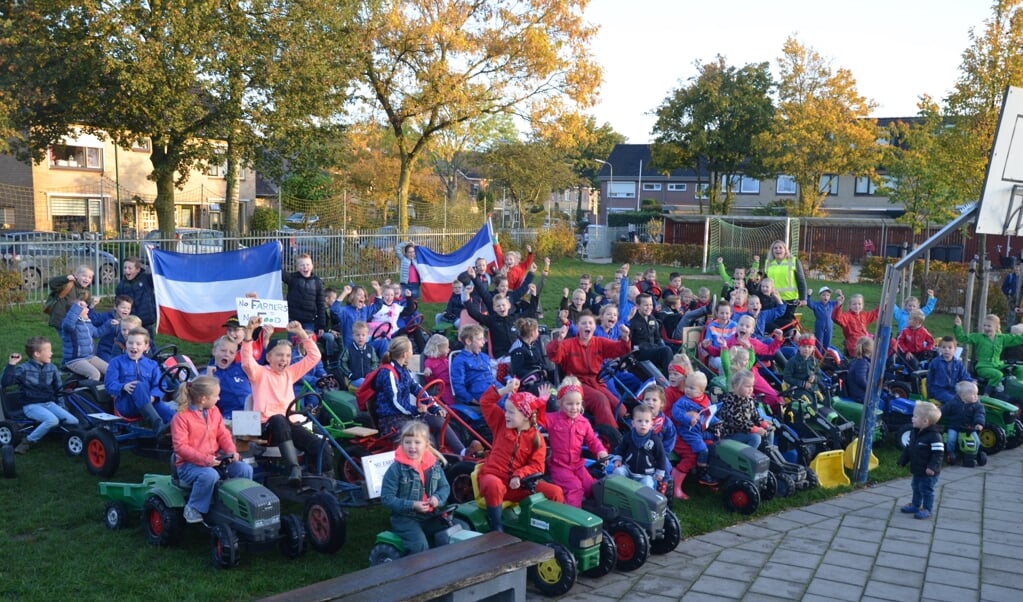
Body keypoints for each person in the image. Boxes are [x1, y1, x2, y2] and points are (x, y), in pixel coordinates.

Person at [241, 317, 332, 485]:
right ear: (268, 357)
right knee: (278, 419)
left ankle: (322, 478)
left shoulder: (290, 373)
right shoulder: (259, 373)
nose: (284, 359)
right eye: (280, 355)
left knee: (319, 444)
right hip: (267, 428)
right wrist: (248, 333)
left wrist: (301, 333)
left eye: (288, 355)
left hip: (289, 425)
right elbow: (246, 361)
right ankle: (293, 468)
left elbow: (314, 356)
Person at [478, 379, 563, 532]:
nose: (506, 415)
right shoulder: (500, 424)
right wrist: (505, 390)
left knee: (555, 492)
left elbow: (537, 466)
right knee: (494, 484)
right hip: (493, 479)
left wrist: (519, 475)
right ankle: (496, 528)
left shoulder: (537, 439)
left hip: (518, 486)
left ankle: (552, 529)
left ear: (526, 416)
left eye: (511, 412)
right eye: (506, 410)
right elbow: (485, 402)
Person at [374, 336, 479, 459]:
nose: (413, 352)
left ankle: (462, 452)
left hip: (405, 414)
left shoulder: (404, 370)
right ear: (405, 354)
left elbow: (417, 389)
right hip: (391, 419)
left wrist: (434, 408)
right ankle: (437, 461)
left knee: (438, 420)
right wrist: (415, 410)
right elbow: (395, 401)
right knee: (420, 432)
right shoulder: (388, 372)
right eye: (412, 350)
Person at [171, 376, 253, 523]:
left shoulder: (214, 411)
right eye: (216, 395)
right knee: (209, 475)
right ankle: (194, 508)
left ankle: (241, 506)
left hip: (214, 459)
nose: (219, 398)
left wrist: (231, 451)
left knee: (244, 469)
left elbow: (223, 434)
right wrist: (205, 460)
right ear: (203, 399)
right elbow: (180, 447)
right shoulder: (181, 417)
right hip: (188, 465)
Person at [547, 312, 631, 430]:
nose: (587, 326)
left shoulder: (599, 342)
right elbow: (553, 355)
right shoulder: (568, 344)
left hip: (596, 382)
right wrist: (559, 339)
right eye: (584, 323)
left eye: (590, 323)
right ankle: (611, 438)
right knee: (600, 400)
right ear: (577, 326)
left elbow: (620, 349)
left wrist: (625, 337)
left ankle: (628, 430)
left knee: (620, 408)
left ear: (594, 327)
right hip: (576, 384)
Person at [379, 421, 451, 554]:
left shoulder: (434, 465)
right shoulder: (396, 469)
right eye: (407, 442)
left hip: (431, 514)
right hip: (405, 517)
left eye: (417, 442)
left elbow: (444, 487)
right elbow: (387, 498)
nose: (412, 447)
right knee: (419, 546)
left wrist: (437, 498)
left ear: (426, 445)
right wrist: (412, 505)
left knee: (449, 537)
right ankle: (419, 571)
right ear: (402, 443)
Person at [2, 337, 80, 454]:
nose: (52, 353)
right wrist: (11, 365)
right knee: (52, 420)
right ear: (37, 354)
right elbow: (5, 382)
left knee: (73, 421)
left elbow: (58, 390)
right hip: (31, 405)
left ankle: (48, 432)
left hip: (49, 403)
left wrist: (62, 406)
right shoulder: (24, 369)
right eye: (48, 350)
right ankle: (27, 441)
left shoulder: (52, 368)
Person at [546, 377, 606, 507]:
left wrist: (601, 451)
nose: (574, 408)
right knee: (575, 488)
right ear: (561, 403)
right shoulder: (553, 419)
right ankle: (571, 520)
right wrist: (541, 401)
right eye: (569, 404)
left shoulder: (584, 422)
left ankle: (589, 510)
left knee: (591, 487)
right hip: (559, 466)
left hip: (577, 465)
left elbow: (592, 440)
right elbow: (536, 419)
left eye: (578, 404)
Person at [106, 327, 175, 432]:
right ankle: (158, 425)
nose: (134, 346)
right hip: (127, 404)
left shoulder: (152, 364)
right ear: (126, 343)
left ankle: (181, 434)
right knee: (138, 385)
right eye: (130, 343)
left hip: (150, 402)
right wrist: (123, 387)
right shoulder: (116, 362)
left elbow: (161, 385)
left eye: (138, 344)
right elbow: (109, 384)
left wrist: (153, 397)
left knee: (172, 415)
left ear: (146, 346)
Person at [669, 372, 716, 500]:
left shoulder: (705, 401)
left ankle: (713, 473)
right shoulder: (683, 402)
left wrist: (717, 422)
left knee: (715, 441)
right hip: (687, 431)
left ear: (702, 390)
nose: (687, 390)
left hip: (699, 430)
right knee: (701, 449)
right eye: (687, 387)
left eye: (692, 388)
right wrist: (687, 418)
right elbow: (676, 412)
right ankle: (701, 473)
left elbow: (710, 413)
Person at [897, 402, 943, 519]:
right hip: (917, 468)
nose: (912, 419)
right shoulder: (914, 433)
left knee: (926, 490)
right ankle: (916, 505)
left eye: (915, 416)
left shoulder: (935, 436)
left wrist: (932, 467)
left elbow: (938, 454)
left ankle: (927, 509)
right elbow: (909, 448)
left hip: (929, 471)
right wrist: (903, 460)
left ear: (925, 421)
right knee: (916, 487)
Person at [954, 314, 1023, 391]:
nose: (986, 328)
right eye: (985, 325)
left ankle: (1019, 390)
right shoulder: (978, 337)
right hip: (983, 367)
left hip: (998, 365)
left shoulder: (1002, 338)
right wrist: (958, 326)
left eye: (989, 326)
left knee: (1020, 369)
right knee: (997, 374)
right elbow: (962, 338)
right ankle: (987, 394)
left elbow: (1018, 339)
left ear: (996, 327)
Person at [612, 405, 666, 489]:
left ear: (651, 424)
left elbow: (661, 456)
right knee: (618, 471)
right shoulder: (629, 436)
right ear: (633, 423)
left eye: (647, 421)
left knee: (648, 484)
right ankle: (619, 494)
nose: (643, 424)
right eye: (639, 421)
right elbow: (621, 448)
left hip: (646, 474)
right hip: (628, 470)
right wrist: (618, 459)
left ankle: (644, 500)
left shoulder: (655, 440)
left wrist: (660, 472)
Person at [717, 370, 773, 449]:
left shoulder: (748, 399)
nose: (751, 389)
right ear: (736, 386)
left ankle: (769, 452)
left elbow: (755, 415)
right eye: (747, 386)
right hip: (730, 433)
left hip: (744, 430)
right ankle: (749, 458)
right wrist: (755, 429)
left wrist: (764, 424)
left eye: (752, 386)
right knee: (755, 438)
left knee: (769, 431)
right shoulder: (730, 400)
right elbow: (737, 422)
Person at [450, 325, 497, 405]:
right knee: (504, 402)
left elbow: (491, 374)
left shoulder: (483, 356)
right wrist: (471, 400)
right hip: (479, 389)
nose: (484, 341)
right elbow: (458, 385)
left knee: (513, 397)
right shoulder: (460, 360)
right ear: (468, 341)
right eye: (480, 339)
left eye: (483, 338)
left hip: (493, 385)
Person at [60, 300, 107, 380]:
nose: (88, 309)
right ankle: (87, 392)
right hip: (74, 360)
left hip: (90, 357)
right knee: (94, 374)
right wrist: (77, 307)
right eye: (84, 307)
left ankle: (110, 391)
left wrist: (109, 324)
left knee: (110, 370)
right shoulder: (69, 324)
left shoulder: (87, 323)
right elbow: (69, 324)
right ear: (75, 310)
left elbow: (97, 333)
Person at [942, 381, 985, 466]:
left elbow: (980, 414)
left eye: (977, 394)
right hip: (955, 426)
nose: (976, 396)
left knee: (977, 441)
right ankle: (951, 453)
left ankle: (975, 454)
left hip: (969, 428)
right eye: (974, 394)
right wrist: (936, 414)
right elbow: (944, 410)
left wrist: (979, 423)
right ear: (963, 396)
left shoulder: (977, 405)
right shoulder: (953, 402)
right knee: (951, 439)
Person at [282, 253, 326, 336]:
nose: (305, 267)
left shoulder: (317, 282)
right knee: (294, 344)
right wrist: (278, 252)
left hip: (309, 321)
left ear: (312, 266)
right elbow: (280, 272)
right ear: (297, 267)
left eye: (307, 264)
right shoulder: (292, 278)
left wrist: (321, 326)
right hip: (294, 320)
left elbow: (321, 305)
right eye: (302, 265)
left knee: (307, 344)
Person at [206, 336, 250, 419]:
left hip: (252, 410)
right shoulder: (208, 373)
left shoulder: (241, 368)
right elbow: (202, 399)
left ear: (235, 356)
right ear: (214, 351)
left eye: (231, 353)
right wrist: (208, 379)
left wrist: (266, 341)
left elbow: (261, 365)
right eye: (223, 351)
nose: (227, 354)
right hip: (229, 415)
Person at [628, 293, 673, 374]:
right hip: (639, 353)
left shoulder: (652, 318)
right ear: (638, 306)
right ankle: (668, 380)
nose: (649, 307)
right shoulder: (632, 320)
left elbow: (657, 338)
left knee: (671, 353)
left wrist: (660, 347)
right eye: (646, 305)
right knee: (666, 351)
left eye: (651, 305)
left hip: (652, 349)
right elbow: (627, 341)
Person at [115, 257, 157, 338]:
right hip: (131, 323)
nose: (127, 270)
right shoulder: (121, 285)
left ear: (138, 269)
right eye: (125, 268)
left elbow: (157, 271)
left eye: (130, 268)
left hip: (146, 321)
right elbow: (118, 303)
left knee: (148, 345)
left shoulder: (146, 279)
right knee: (132, 344)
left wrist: (152, 255)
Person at [832, 291, 880, 358]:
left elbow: (875, 314)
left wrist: (885, 303)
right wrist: (839, 305)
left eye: (859, 304)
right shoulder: (847, 316)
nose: (857, 306)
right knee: (870, 354)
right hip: (854, 344)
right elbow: (836, 318)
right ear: (850, 306)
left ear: (862, 305)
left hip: (865, 342)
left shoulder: (863, 315)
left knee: (880, 347)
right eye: (854, 304)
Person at [926, 336, 973, 404]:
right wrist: (929, 394)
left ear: (955, 349)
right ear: (940, 349)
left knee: (972, 399)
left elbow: (964, 376)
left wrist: (971, 382)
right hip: (939, 391)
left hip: (954, 390)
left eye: (950, 347)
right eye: (944, 347)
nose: (946, 350)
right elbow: (930, 379)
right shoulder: (935, 362)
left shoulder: (958, 364)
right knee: (956, 401)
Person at [46, 265, 94, 331]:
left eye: (90, 277)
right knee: (67, 338)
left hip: (73, 320)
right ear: (76, 275)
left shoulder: (86, 292)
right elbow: (52, 283)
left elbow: (87, 306)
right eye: (84, 276)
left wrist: (92, 304)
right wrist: (65, 278)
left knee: (71, 339)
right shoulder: (68, 284)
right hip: (60, 318)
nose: (87, 279)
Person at [90, 294, 133, 362]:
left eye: (128, 308)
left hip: (122, 351)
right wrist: (92, 306)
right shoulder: (107, 316)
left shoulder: (130, 321)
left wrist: (121, 324)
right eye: (123, 307)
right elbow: (93, 319)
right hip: (105, 350)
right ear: (115, 307)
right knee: (110, 367)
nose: (126, 310)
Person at [783, 333, 825, 398]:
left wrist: (814, 378)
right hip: (798, 389)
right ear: (799, 347)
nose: (806, 349)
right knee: (810, 401)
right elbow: (786, 377)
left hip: (813, 388)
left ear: (813, 348)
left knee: (824, 399)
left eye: (809, 347)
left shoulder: (814, 361)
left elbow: (819, 375)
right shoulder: (792, 361)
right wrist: (802, 384)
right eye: (804, 346)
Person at [340, 321, 378, 390]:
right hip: (354, 380)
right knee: (367, 384)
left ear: (367, 336)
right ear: (353, 336)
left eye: (363, 335)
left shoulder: (370, 349)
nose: (360, 337)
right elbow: (342, 362)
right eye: (358, 335)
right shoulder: (349, 349)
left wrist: (371, 372)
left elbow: (375, 362)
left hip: (368, 377)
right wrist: (349, 374)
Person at [421, 333, 453, 405]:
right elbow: (427, 371)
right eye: (447, 348)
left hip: (450, 383)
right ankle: (451, 413)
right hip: (442, 386)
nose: (449, 350)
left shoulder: (446, 359)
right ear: (438, 349)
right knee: (450, 402)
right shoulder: (429, 362)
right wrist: (427, 371)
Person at [806, 286, 839, 354]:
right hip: (819, 325)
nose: (825, 297)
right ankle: (819, 354)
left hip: (829, 325)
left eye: (828, 295)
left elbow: (840, 301)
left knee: (828, 340)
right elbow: (809, 304)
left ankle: (825, 355)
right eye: (823, 295)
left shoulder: (831, 304)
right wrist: (808, 295)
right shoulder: (817, 305)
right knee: (819, 340)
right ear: (819, 296)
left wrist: (839, 294)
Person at [846, 337, 873, 403]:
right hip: (860, 396)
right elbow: (861, 380)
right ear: (870, 349)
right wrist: (871, 389)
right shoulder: (862, 362)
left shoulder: (857, 360)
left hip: (859, 393)